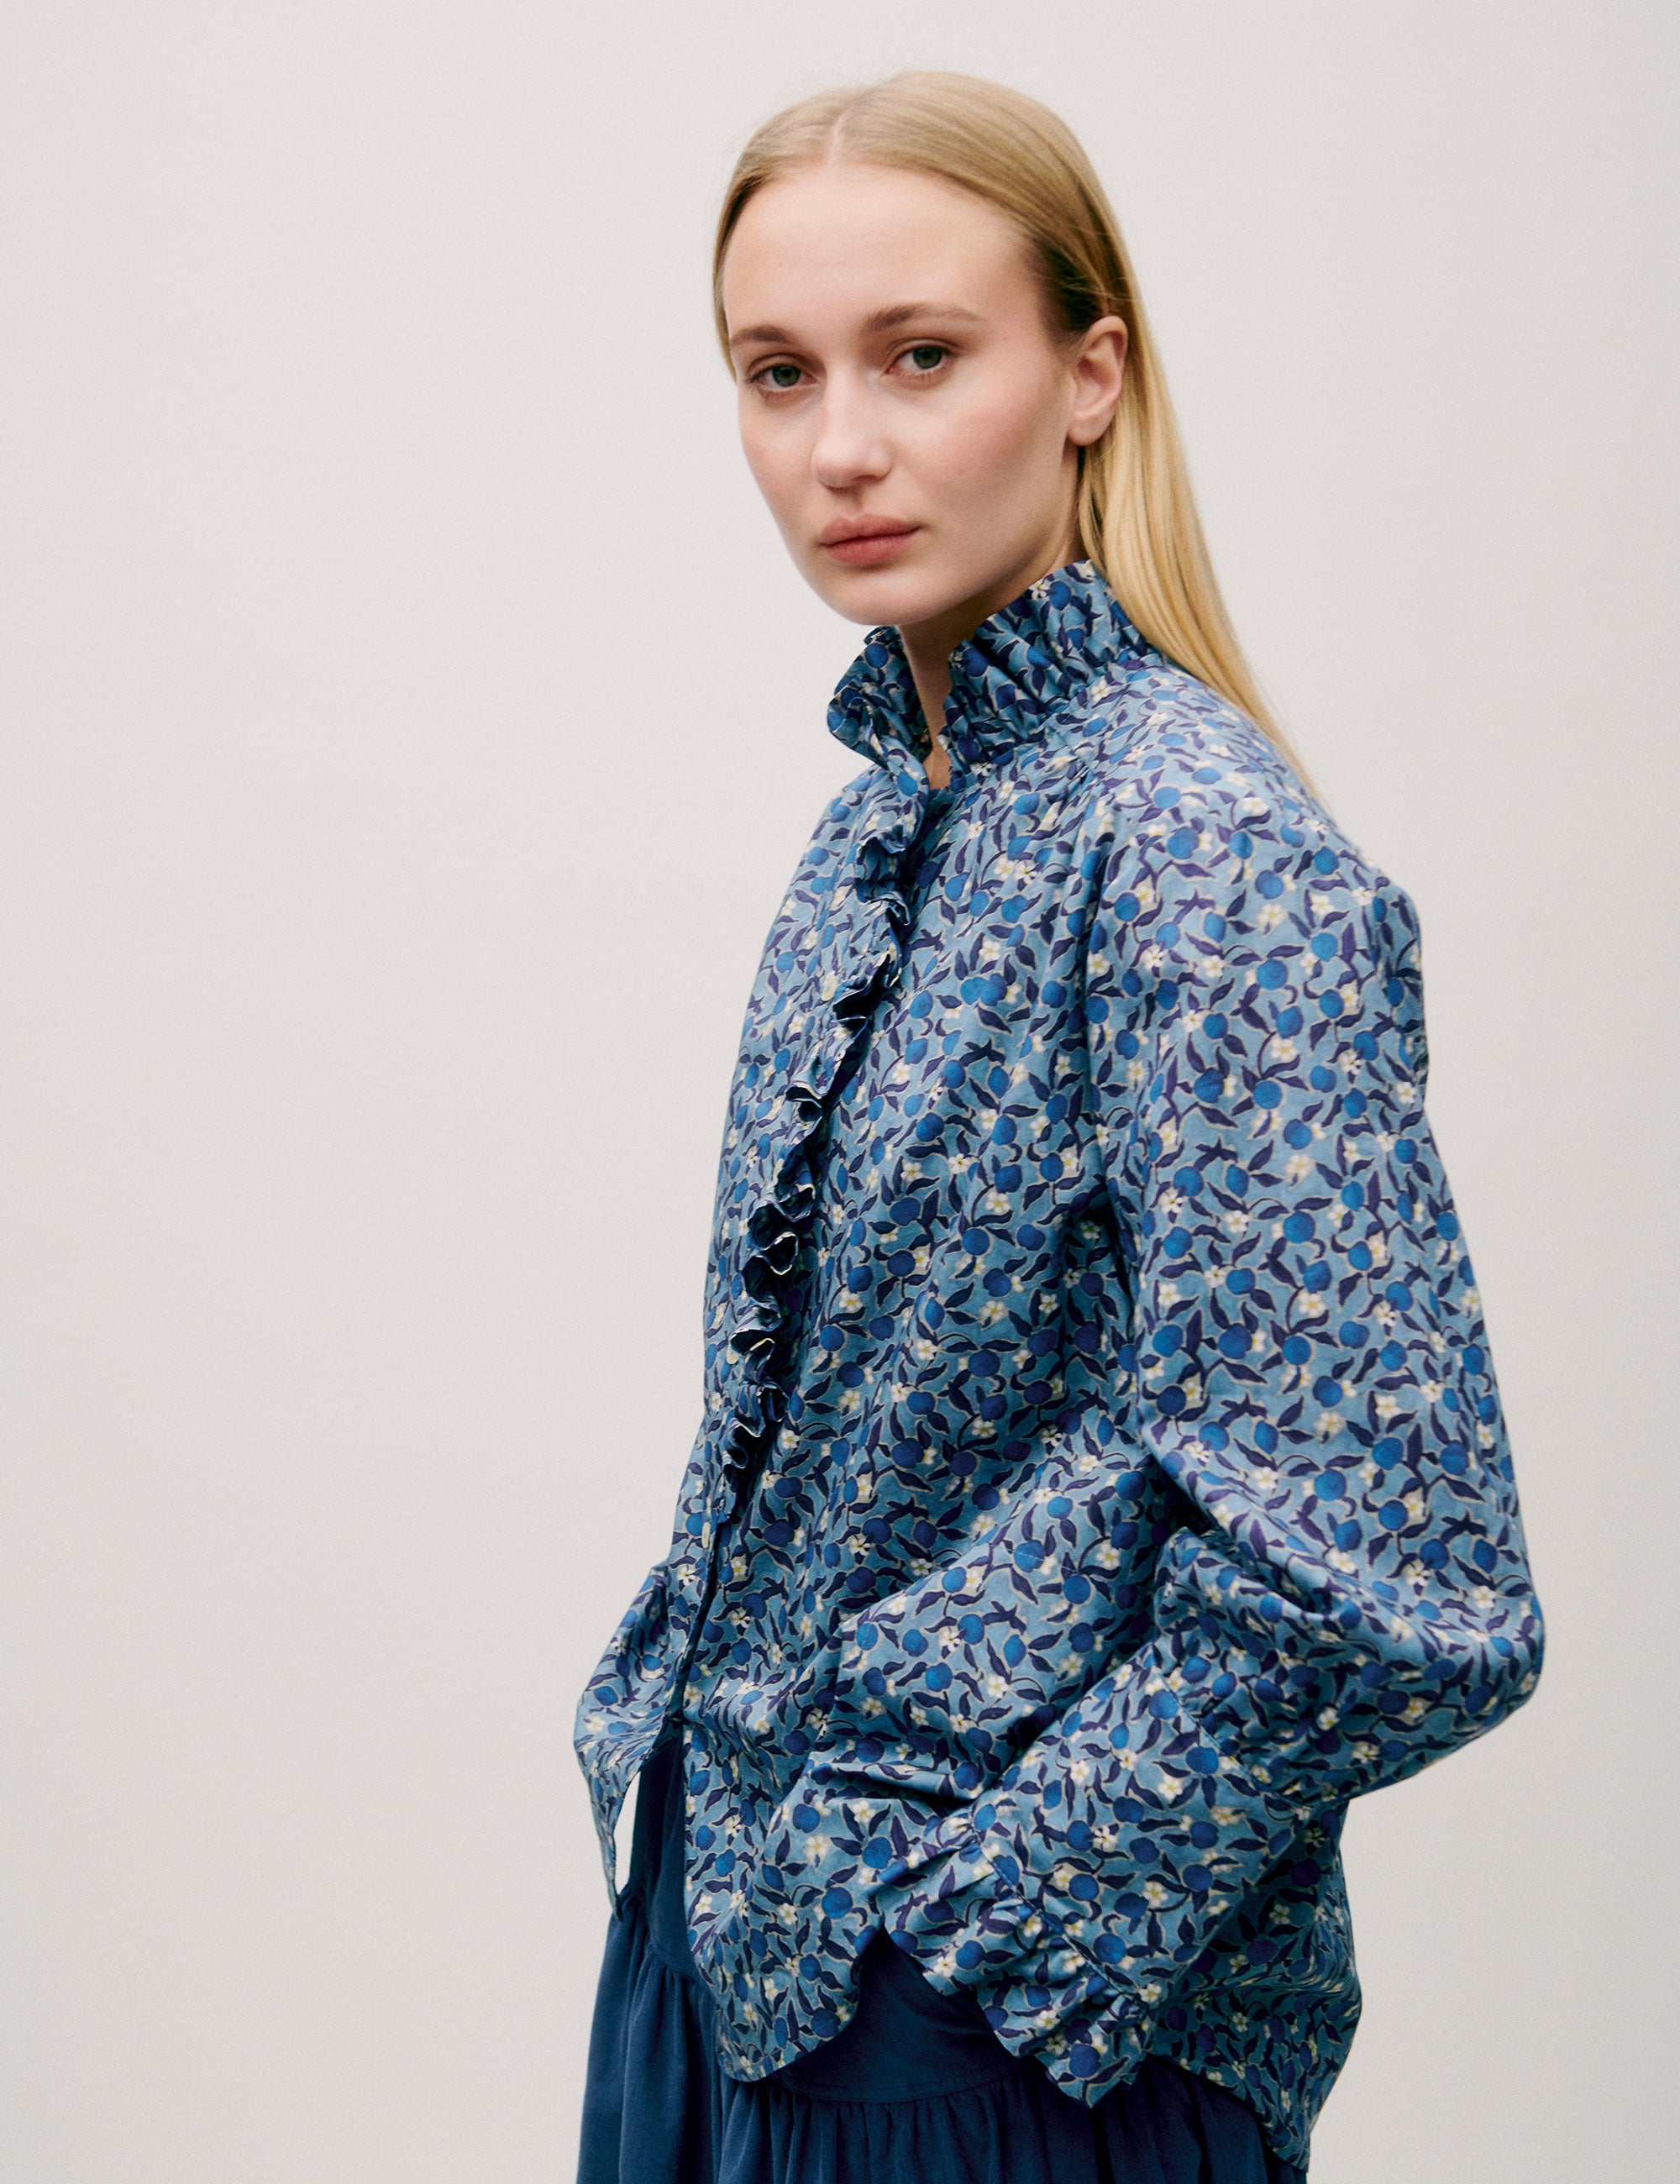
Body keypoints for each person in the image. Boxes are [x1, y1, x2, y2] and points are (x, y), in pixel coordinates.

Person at [574, 71, 1542, 2184]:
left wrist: (990, 1931)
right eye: (776, 372)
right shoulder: (875, 833)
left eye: (924, 357)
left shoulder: (1198, 852)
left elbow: (1404, 1572)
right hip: (730, 1973)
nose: (841, 445)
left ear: (1089, 371)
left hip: (994, 2063)